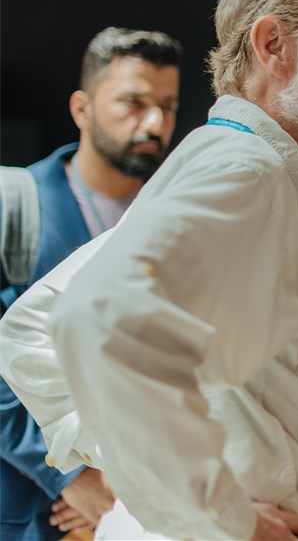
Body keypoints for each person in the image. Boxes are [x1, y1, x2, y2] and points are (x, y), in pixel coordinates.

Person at [1, 0, 298, 540]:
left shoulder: (243, 166)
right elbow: (94, 322)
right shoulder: (246, 170)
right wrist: (222, 518)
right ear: (273, 47)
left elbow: (29, 330)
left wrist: (150, 481)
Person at [0, 26, 182, 541]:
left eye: (167, 106)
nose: (153, 122)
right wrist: (71, 474)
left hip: (148, 504)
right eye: (133, 102)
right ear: (82, 109)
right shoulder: (15, 205)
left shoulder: (180, 219)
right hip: (33, 508)